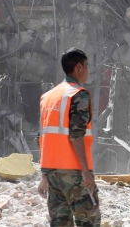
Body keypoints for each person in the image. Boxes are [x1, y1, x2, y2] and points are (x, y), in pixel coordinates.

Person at [37, 47, 99, 227]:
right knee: (88, 220)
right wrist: (86, 172)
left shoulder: (48, 96)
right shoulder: (78, 94)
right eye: (86, 66)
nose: (88, 70)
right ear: (78, 67)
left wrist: (44, 174)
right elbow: (76, 134)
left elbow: (42, 136)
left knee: (60, 222)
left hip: (52, 173)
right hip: (74, 171)